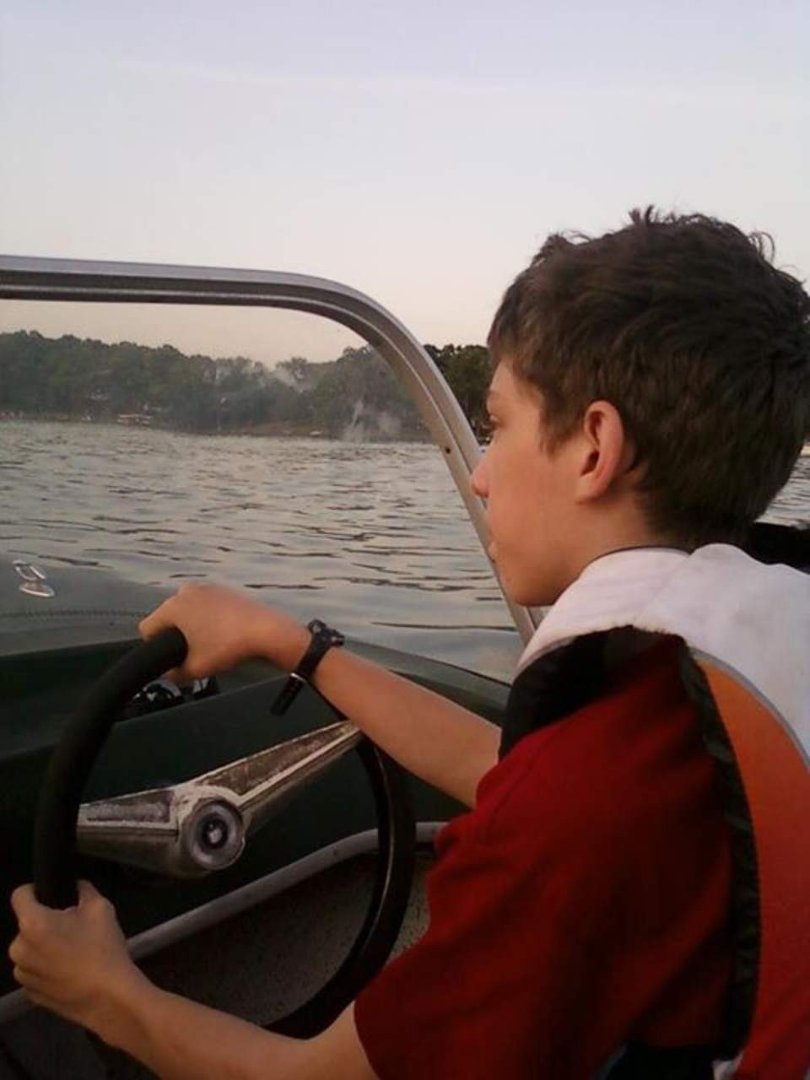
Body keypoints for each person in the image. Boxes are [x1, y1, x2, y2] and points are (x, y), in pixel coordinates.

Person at [9, 209, 810, 1079]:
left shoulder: (579, 806)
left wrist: (103, 993)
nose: (480, 473)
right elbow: (508, 771)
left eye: (497, 425)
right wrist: (293, 645)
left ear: (593, 449)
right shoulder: (706, 674)